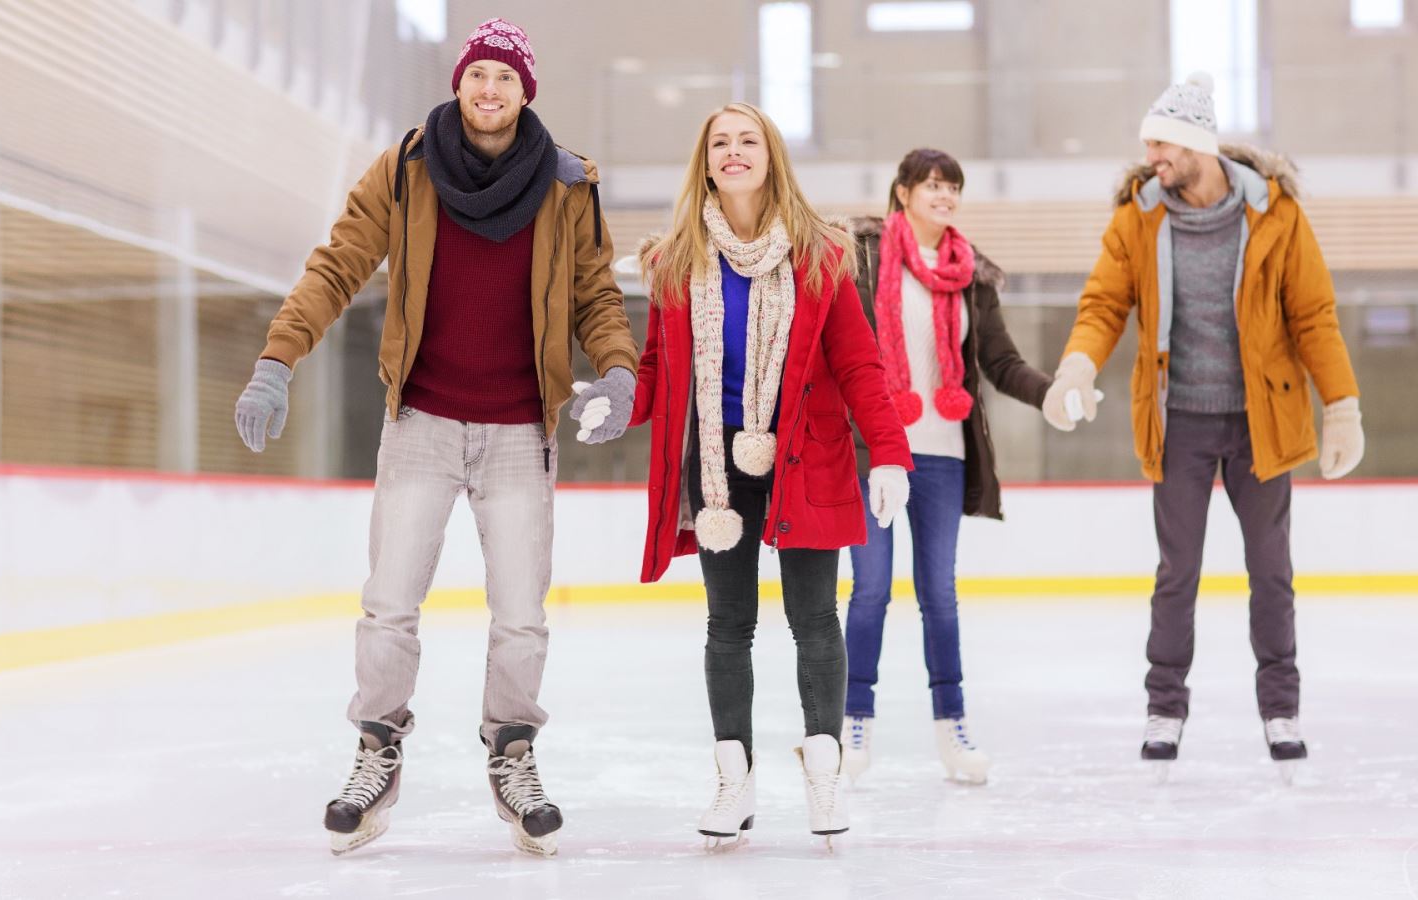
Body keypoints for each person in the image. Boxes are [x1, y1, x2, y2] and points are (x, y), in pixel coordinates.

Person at [232, 18, 639, 856]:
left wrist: (619, 368)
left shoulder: (566, 183)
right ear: (460, 82)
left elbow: (597, 294)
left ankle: (513, 752)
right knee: (388, 605)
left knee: (522, 614)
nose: (490, 91)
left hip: (521, 427)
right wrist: (278, 357)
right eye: (478, 75)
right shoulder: (407, 166)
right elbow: (338, 262)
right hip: (421, 418)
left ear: (527, 93)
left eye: (507, 80)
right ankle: (377, 749)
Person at [1042, 73, 1365, 778]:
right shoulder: (1139, 216)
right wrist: (1075, 369)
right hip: (1179, 420)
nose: (1151, 155)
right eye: (1149, 143)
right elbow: (1104, 305)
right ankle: (1166, 708)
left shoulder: (1275, 215)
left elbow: (1314, 317)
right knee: (1176, 573)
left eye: (1161, 141)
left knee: (1271, 572)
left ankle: (1281, 710)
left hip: (1262, 421)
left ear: (1195, 144)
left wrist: (1340, 405)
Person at [629, 103, 913, 846]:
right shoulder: (676, 258)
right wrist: (614, 401)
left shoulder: (820, 254)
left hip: (805, 458)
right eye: (719, 143)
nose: (732, 152)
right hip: (717, 469)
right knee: (730, 626)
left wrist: (887, 450)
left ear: (771, 156)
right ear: (705, 163)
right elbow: (658, 369)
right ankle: (735, 784)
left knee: (815, 621)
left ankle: (824, 781)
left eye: (746, 140)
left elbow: (859, 362)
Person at [840, 148, 1053, 785]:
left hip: (943, 454)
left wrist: (1053, 393)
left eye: (953, 186)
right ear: (902, 192)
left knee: (940, 596)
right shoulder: (864, 258)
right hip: (876, 452)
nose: (945, 195)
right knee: (871, 590)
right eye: (932, 185)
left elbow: (1001, 361)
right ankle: (854, 724)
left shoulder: (970, 275)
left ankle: (952, 729)